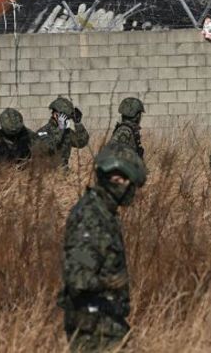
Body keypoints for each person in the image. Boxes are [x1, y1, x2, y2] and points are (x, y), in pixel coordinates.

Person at [58, 144, 148, 351]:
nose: (131, 190)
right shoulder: (90, 217)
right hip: (93, 330)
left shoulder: (105, 214)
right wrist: (110, 282)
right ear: (116, 179)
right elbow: (77, 278)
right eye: (128, 182)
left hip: (107, 323)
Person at [34, 97, 90, 169]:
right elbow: (49, 147)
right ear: (55, 115)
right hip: (47, 171)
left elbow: (81, 142)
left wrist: (78, 124)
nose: (66, 120)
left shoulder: (66, 131)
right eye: (64, 117)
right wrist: (61, 129)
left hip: (64, 172)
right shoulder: (43, 131)